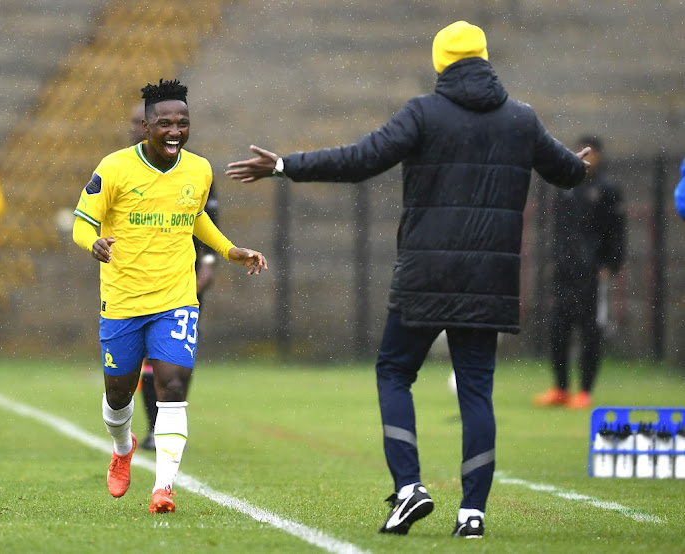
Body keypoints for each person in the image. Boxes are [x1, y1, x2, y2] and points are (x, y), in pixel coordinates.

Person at [226, 21, 589, 538]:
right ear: (485, 59)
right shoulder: (521, 120)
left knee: (394, 371)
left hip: (426, 272)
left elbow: (360, 161)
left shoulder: (424, 112)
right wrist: (580, 166)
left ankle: (410, 487)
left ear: (441, 62)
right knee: (476, 391)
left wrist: (286, 165)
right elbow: (568, 172)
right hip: (488, 279)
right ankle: (473, 513)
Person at [73, 78, 267, 514]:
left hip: (175, 298)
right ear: (146, 127)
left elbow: (196, 219)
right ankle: (123, 448)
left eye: (183, 123)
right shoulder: (114, 168)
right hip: (122, 301)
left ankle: (163, 488)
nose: (175, 131)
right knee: (119, 392)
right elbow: (82, 222)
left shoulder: (199, 170)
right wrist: (93, 243)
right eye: (165, 123)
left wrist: (229, 250)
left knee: (173, 385)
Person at [129, 101, 221, 451]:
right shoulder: (121, 168)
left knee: (174, 354)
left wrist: (208, 264)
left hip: (184, 277)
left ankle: (163, 422)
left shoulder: (195, 170)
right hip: (137, 282)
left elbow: (207, 221)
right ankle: (151, 424)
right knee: (141, 357)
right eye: (138, 122)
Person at [534, 136, 626, 410]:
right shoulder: (566, 185)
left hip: (592, 272)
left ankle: (584, 390)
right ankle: (561, 387)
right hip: (565, 270)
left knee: (590, 331)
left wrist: (609, 264)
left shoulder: (607, 189)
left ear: (598, 156)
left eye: (591, 154)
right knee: (558, 328)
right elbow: (560, 228)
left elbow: (616, 231)